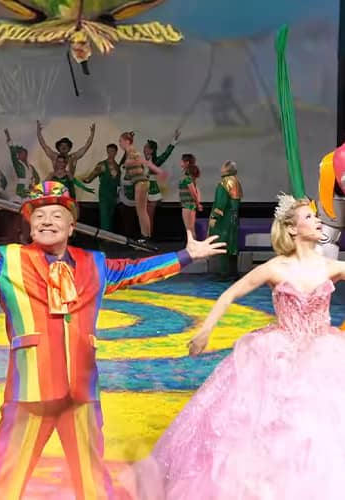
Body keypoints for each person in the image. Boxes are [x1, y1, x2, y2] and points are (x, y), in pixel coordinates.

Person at [0, 181, 224, 500]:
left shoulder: (94, 264)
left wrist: (186, 256)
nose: (47, 221)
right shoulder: (8, 262)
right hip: (29, 392)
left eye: (56, 215)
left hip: (80, 394)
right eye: (39, 215)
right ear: (29, 225)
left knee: (93, 482)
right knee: (6, 480)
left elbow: (138, 271)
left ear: (72, 225)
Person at [136, 194, 345, 500]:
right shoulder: (275, 268)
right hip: (280, 355)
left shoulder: (332, 266)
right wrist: (205, 330)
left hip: (323, 354)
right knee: (266, 426)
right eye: (309, 217)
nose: (317, 221)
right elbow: (229, 294)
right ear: (291, 228)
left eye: (315, 217)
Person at [119, 131, 166, 242]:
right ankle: (146, 237)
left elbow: (144, 162)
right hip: (139, 183)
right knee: (141, 211)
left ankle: (146, 238)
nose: (119, 143)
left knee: (141, 212)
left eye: (120, 141)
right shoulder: (130, 152)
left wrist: (158, 171)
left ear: (127, 141)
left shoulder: (133, 152)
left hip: (141, 183)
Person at [4, 128, 40, 243]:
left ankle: (25, 237)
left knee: (27, 218)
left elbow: (37, 178)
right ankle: (14, 238)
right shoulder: (17, 164)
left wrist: (34, 186)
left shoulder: (30, 167)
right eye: (20, 153)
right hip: (20, 192)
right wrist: (9, 138)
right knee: (17, 217)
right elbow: (12, 154)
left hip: (28, 193)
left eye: (23, 153)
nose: (21, 155)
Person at [208, 160, 242, 279]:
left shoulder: (223, 183)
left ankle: (224, 272)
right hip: (234, 217)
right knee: (232, 244)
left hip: (225, 218)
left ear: (226, 169)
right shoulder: (236, 181)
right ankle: (233, 272)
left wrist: (214, 217)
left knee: (222, 242)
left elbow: (221, 203)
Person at [81, 143, 121, 232]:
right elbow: (91, 176)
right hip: (104, 194)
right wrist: (83, 180)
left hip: (113, 195)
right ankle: (104, 236)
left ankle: (109, 236)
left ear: (116, 152)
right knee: (104, 217)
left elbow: (118, 182)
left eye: (112, 151)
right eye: (109, 151)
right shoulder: (102, 165)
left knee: (110, 217)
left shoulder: (117, 166)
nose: (110, 153)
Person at [178, 153, 202, 238]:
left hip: (188, 205)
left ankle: (192, 245)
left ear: (187, 162)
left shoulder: (187, 177)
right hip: (189, 204)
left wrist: (198, 204)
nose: (180, 162)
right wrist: (197, 203)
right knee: (190, 229)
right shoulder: (189, 176)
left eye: (182, 161)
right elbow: (197, 190)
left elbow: (193, 191)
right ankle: (192, 244)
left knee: (189, 229)